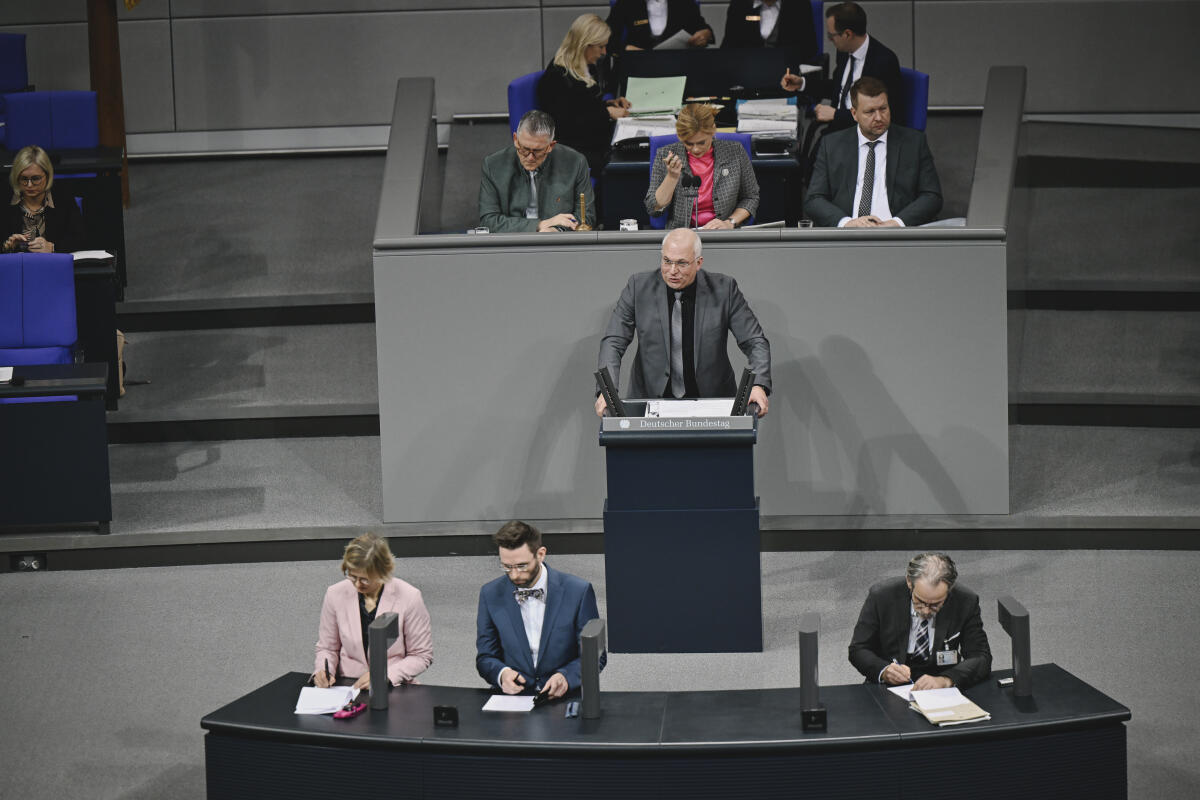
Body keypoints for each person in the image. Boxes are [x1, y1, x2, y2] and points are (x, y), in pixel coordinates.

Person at [596, 228, 771, 416]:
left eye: (681, 263)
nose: (673, 271)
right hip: (651, 400)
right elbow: (613, 341)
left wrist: (758, 385)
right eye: (667, 261)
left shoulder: (724, 289)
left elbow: (755, 341)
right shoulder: (638, 287)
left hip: (712, 402)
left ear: (698, 263)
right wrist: (607, 391)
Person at [476, 520, 604, 699]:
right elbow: (485, 657)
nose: (514, 575)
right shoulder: (490, 594)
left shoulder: (578, 591)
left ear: (541, 554)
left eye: (522, 566)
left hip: (565, 696)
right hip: (513, 699)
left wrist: (566, 677)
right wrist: (502, 673)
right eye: (506, 567)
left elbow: (596, 655)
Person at [805, 76, 942, 227]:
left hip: (895, 233)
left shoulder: (914, 142)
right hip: (850, 234)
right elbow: (814, 199)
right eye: (870, 112)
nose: (879, 117)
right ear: (854, 114)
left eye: (883, 109)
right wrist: (847, 223)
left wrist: (897, 223)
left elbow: (932, 196)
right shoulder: (831, 144)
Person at [848, 552, 992, 690]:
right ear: (909, 583)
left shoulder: (965, 601)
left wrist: (947, 679)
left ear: (949, 591)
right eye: (920, 601)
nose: (926, 611)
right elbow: (858, 649)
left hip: (938, 686)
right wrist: (885, 671)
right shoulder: (882, 596)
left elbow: (981, 656)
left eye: (936, 604)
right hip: (889, 685)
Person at [313, 533, 433, 690]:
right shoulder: (334, 593)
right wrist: (323, 670)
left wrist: (385, 675)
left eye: (365, 579)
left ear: (383, 572)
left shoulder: (410, 597)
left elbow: (421, 655)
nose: (357, 585)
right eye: (352, 576)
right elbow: (328, 648)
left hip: (392, 685)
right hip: (348, 686)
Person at [779, 2, 902, 134]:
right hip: (837, 129)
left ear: (847, 34)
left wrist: (836, 115)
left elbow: (882, 114)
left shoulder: (883, 61)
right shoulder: (844, 52)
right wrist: (802, 83)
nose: (830, 40)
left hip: (862, 134)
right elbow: (838, 88)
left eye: (831, 36)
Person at [538, 14, 632, 175]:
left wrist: (609, 104)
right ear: (584, 45)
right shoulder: (558, 76)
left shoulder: (586, 68)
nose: (604, 52)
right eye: (601, 47)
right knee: (626, 163)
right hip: (573, 148)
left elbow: (582, 106)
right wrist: (606, 113)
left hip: (591, 140)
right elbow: (566, 125)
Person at [646, 104, 760, 230]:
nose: (695, 149)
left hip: (723, 233)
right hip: (682, 234)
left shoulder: (735, 151)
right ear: (680, 136)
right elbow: (653, 209)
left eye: (702, 142)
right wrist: (671, 177)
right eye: (688, 143)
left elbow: (750, 197)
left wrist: (729, 223)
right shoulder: (666, 154)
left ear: (713, 130)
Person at [478, 110, 595, 233]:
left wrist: (557, 230)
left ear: (551, 146)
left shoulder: (575, 162)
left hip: (556, 243)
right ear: (515, 140)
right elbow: (488, 221)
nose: (530, 157)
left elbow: (586, 217)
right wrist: (540, 225)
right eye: (525, 149)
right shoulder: (493, 165)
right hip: (512, 241)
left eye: (537, 151)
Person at [2, 145, 85, 254]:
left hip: (54, 265)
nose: (29, 185)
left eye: (35, 178)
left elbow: (80, 239)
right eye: (24, 179)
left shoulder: (63, 197)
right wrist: (7, 247)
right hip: (16, 267)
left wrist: (53, 247)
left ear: (48, 175)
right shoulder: (3, 199)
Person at [721, 0, 817, 62]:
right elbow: (729, 47)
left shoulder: (798, 5)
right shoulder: (740, 5)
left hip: (788, 76)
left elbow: (809, 48)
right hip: (747, 75)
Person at [606, 0, 714, 51]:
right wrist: (626, 48)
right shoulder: (626, 3)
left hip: (677, 66)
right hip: (638, 67)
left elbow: (703, 29)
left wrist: (705, 35)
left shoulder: (684, 3)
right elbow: (607, 39)